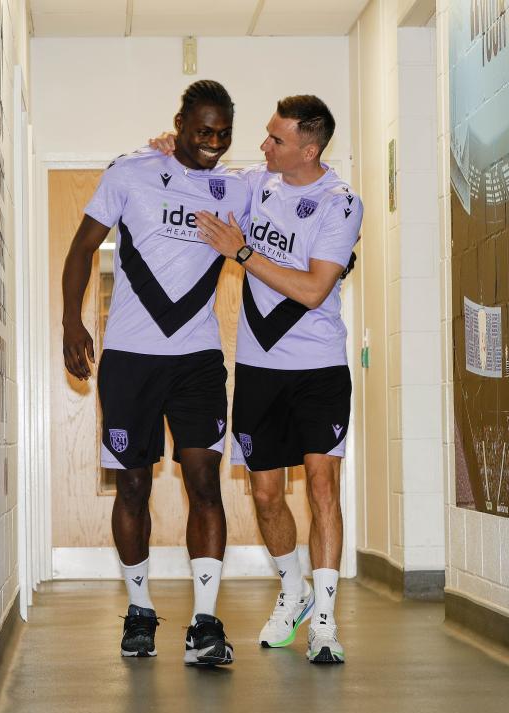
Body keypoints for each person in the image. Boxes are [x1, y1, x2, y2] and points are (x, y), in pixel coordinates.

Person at [157, 95, 363, 663]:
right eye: (267, 136)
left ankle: (324, 619)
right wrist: (164, 153)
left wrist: (242, 251)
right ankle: (292, 591)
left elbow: (314, 288)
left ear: (309, 149)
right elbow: (194, 182)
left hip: (319, 367)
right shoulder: (256, 185)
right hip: (258, 371)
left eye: (276, 140)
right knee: (267, 494)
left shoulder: (340, 204)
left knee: (323, 487)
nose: (263, 146)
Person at [62, 80, 250, 666]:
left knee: (204, 484)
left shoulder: (236, 187)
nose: (213, 143)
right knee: (134, 485)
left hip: (196, 362)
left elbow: (295, 194)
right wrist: (72, 320)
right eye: (202, 132)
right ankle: (140, 611)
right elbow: (80, 249)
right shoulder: (130, 173)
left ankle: (204, 623)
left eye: (223, 134)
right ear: (180, 122)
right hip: (131, 362)